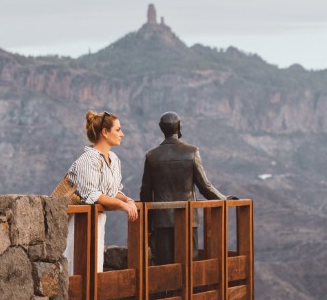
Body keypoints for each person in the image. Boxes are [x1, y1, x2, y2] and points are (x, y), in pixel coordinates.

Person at [139, 111, 227, 265]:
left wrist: (148, 221)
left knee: (164, 266)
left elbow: (145, 192)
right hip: (188, 218)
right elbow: (205, 187)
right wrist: (224, 199)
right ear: (179, 126)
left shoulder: (151, 156)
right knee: (189, 264)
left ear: (161, 128)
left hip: (161, 220)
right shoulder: (191, 152)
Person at [64, 110, 138, 277]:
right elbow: (92, 195)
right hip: (79, 224)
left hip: (98, 222)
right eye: (118, 130)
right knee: (76, 268)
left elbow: (113, 191)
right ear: (105, 132)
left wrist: (128, 200)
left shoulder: (114, 159)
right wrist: (122, 205)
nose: (122, 134)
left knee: (95, 269)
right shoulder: (87, 160)